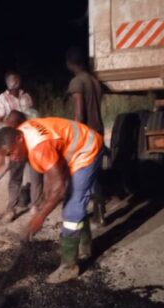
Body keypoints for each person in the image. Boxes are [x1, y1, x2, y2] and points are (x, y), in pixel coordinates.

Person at [0, 116, 104, 284]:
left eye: (11, 153)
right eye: (7, 156)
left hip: (87, 149)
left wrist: (40, 216)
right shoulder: (22, 133)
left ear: (19, 138)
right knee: (72, 201)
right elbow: (50, 177)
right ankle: (85, 246)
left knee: (72, 207)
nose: (12, 159)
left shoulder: (38, 147)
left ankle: (69, 267)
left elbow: (59, 187)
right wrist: (44, 200)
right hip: (72, 148)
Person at [0, 71, 42, 222]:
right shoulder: (1, 101)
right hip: (14, 143)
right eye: (14, 82)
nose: (17, 84)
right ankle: (10, 209)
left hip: (30, 140)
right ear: (8, 83)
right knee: (15, 177)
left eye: (18, 81)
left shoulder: (26, 96)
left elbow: (33, 115)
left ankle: (35, 205)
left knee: (35, 175)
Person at [66, 47, 107, 230]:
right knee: (96, 175)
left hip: (86, 136)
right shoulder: (94, 81)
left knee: (82, 178)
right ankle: (100, 214)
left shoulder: (77, 82)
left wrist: (74, 142)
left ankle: (80, 215)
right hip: (98, 131)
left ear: (70, 64)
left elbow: (79, 115)